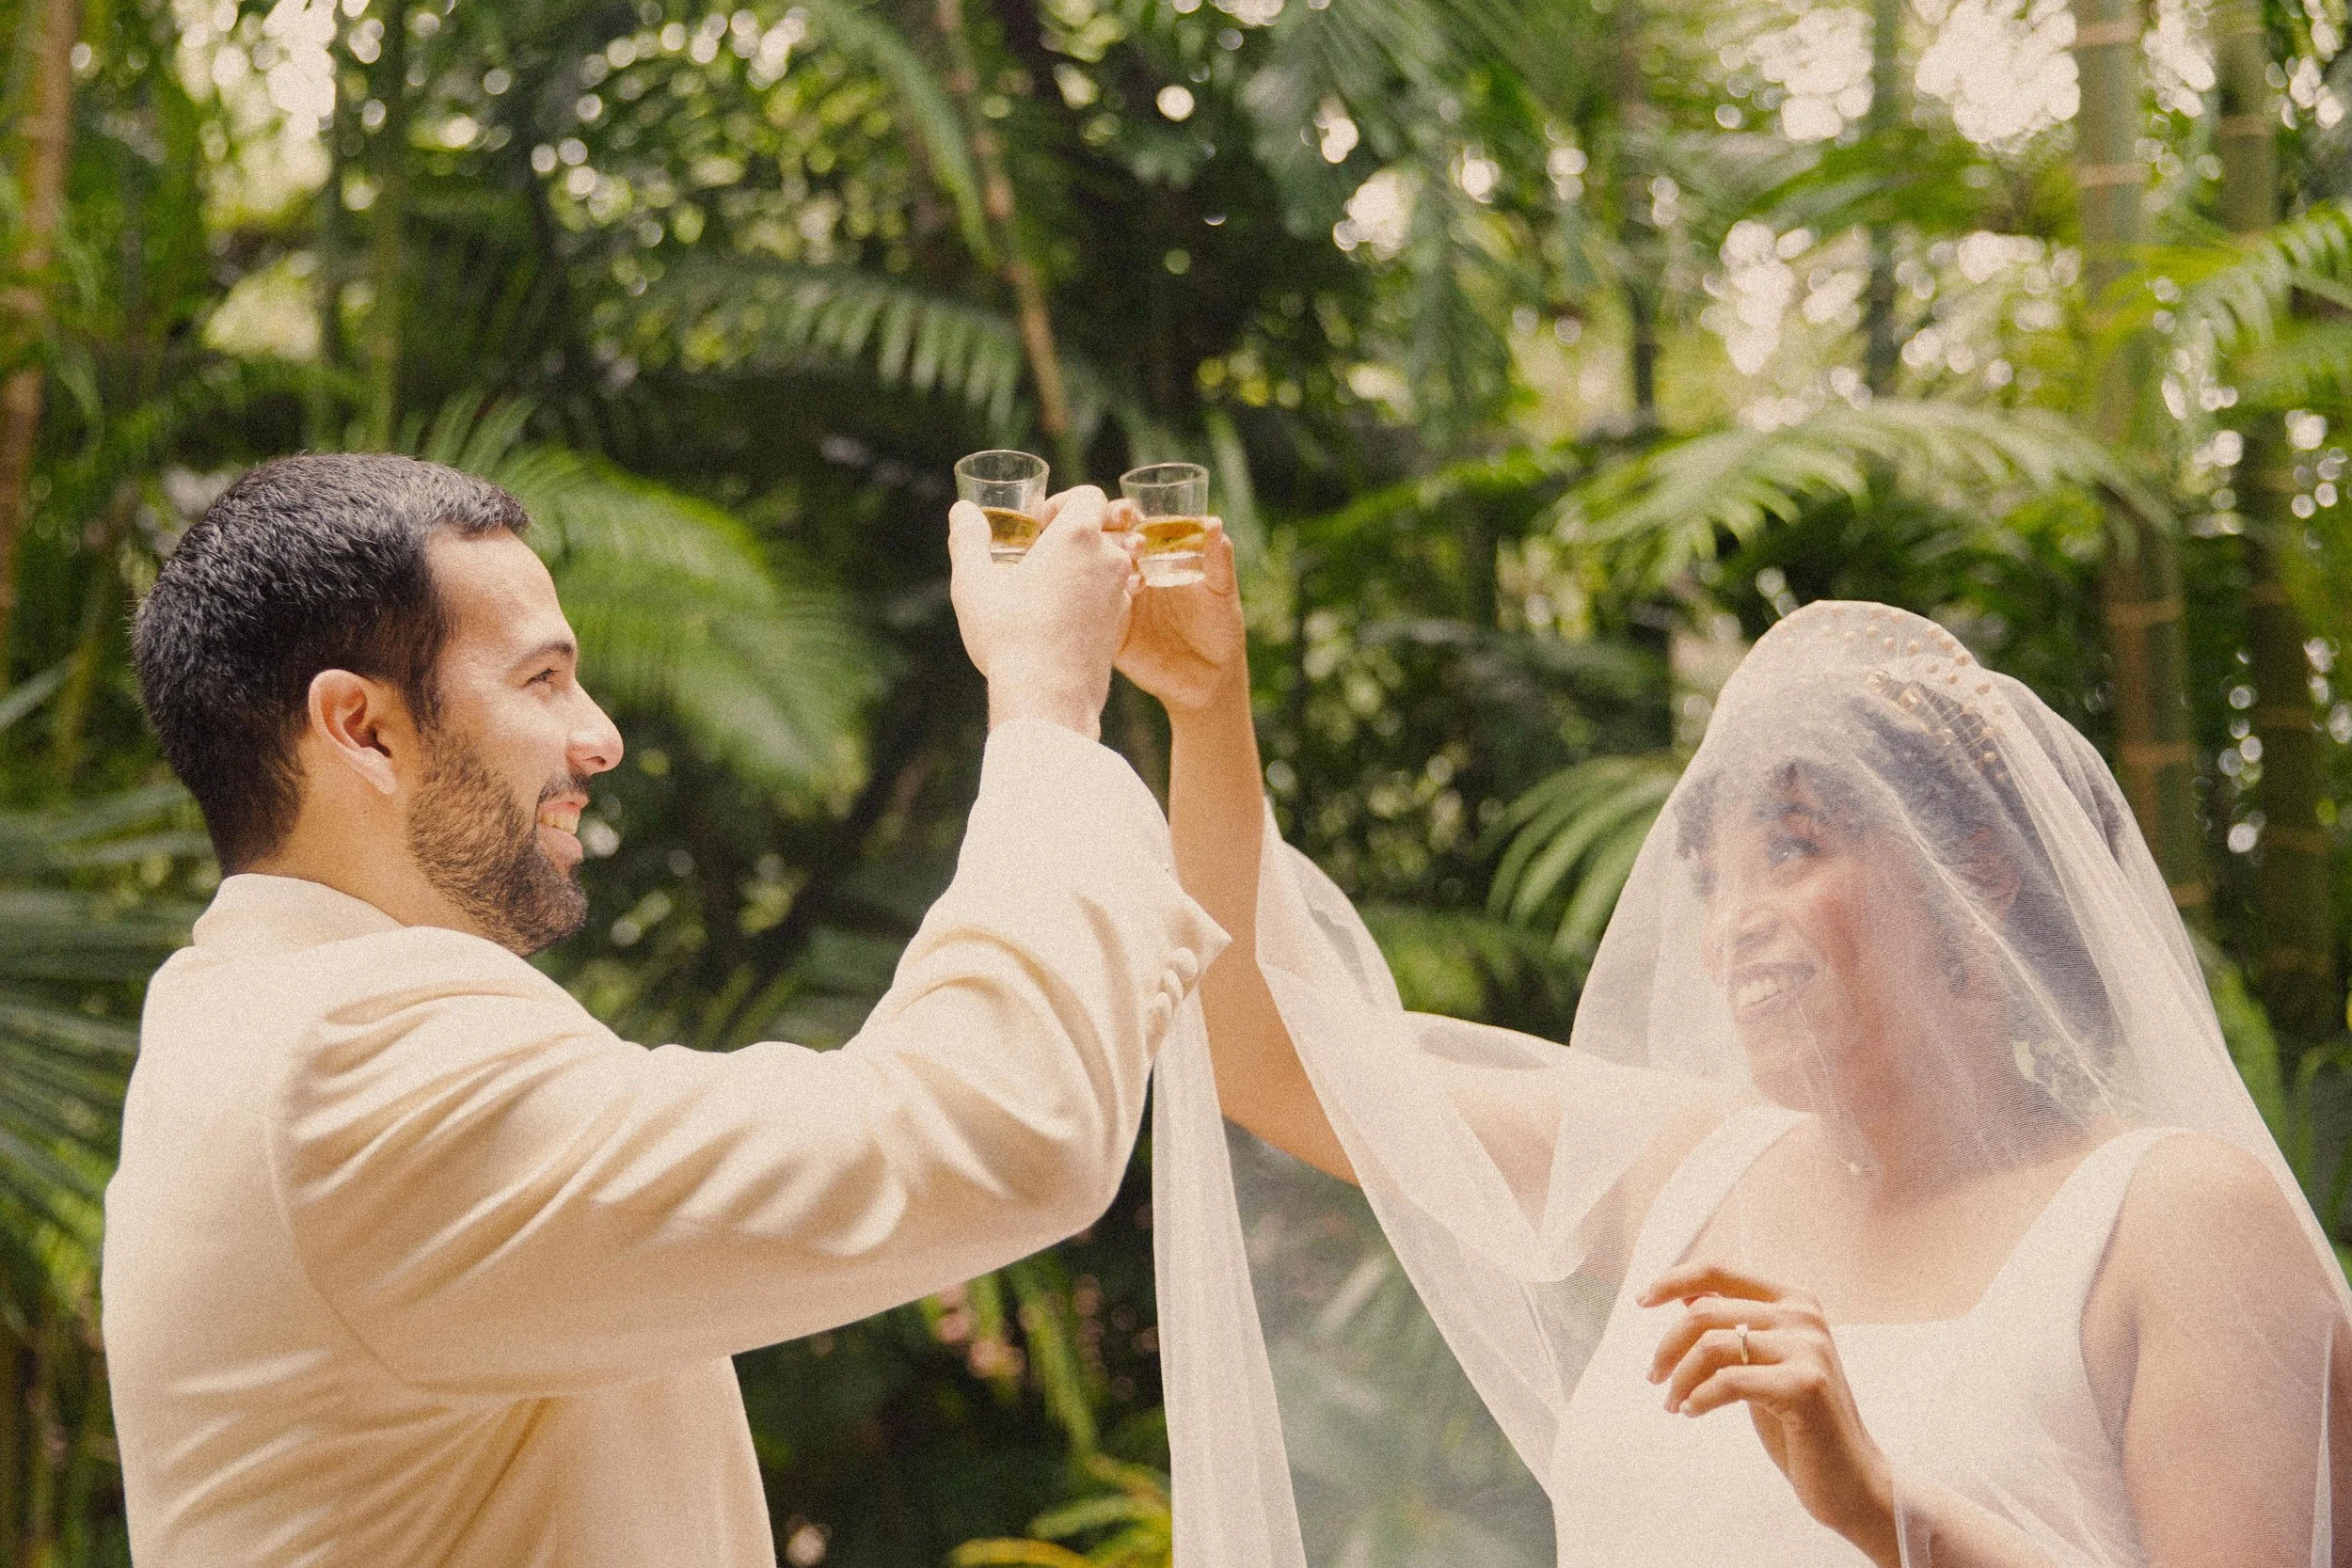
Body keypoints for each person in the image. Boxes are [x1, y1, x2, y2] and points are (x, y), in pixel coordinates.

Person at [1111, 531, 2352, 1568]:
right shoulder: (1683, 1167)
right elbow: (1263, 1051)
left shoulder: (2176, 1218)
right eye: (1714, 875)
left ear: (1975, 869)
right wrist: (1206, 707)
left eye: (1796, 848)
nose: (1734, 919)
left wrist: (1889, 1509)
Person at [103, 452, 1226, 1567]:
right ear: (361, 727)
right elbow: (995, 1130)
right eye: (542, 679)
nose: (600, 736)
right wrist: (1044, 698)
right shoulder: (345, 1059)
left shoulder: (260, 1019)